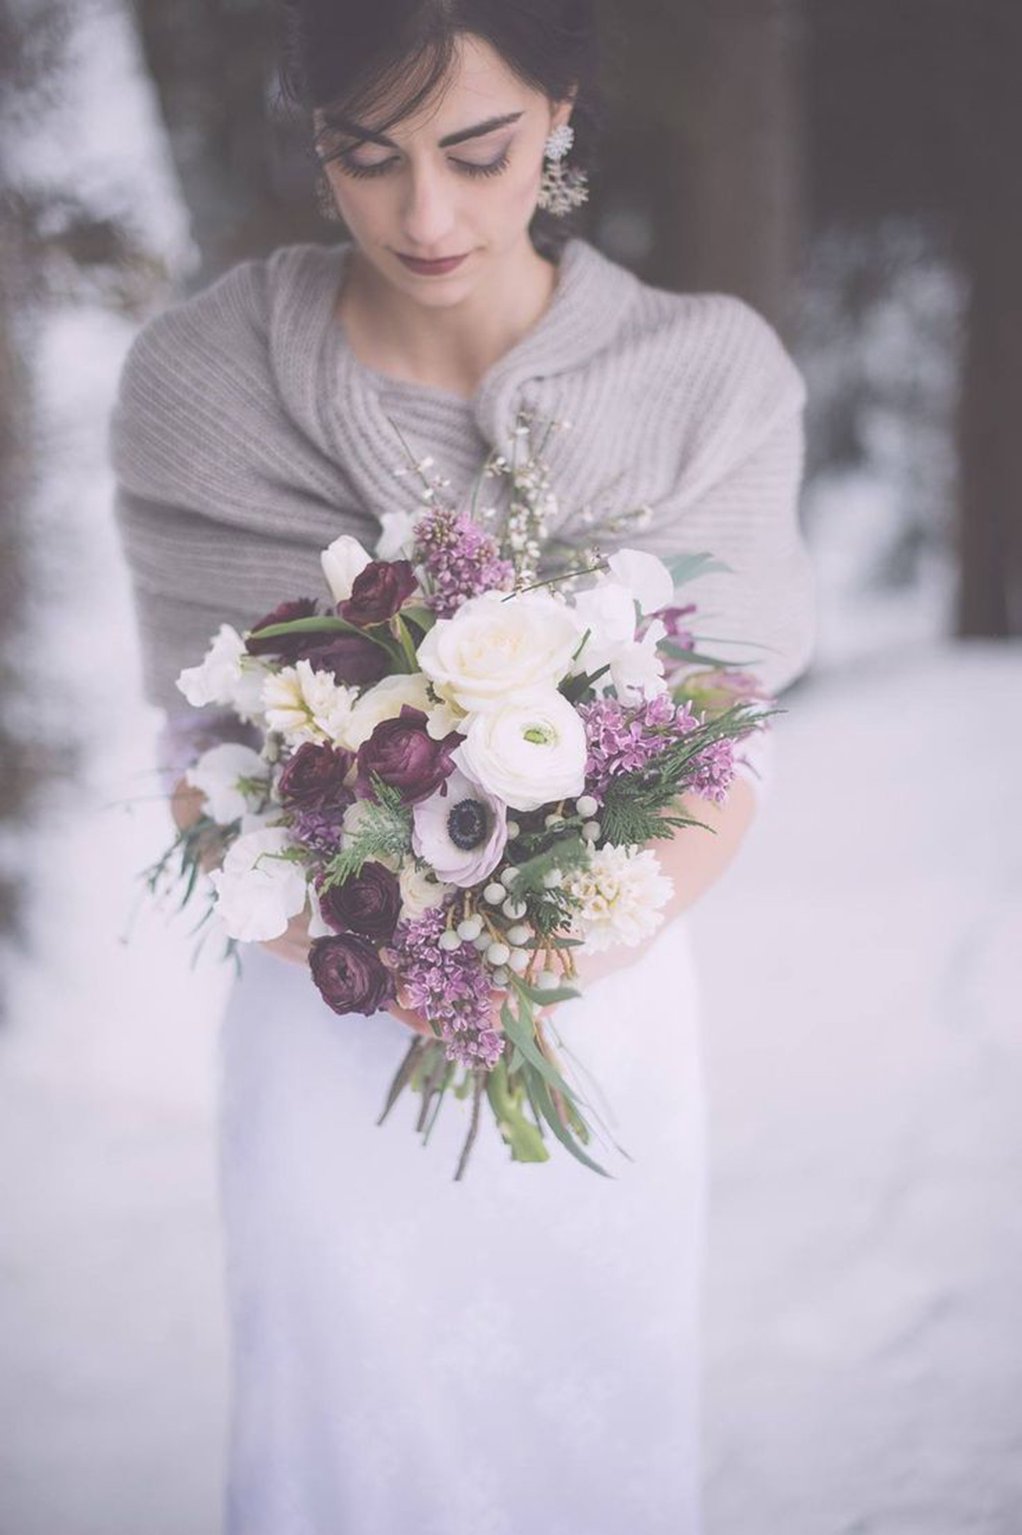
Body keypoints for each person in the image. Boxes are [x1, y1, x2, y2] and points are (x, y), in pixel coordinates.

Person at [109, 2, 816, 1530]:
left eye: (476, 152)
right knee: (342, 1438)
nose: (424, 214)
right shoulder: (201, 381)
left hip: (604, 1001)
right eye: (366, 159)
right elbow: (199, 745)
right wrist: (370, 950)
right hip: (326, 1014)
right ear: (315, 143)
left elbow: (722, 723)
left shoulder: (706, 375)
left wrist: (572, 938)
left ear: (559, 111)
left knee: (592, 1419)